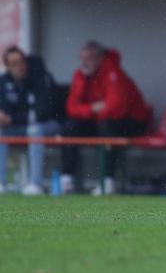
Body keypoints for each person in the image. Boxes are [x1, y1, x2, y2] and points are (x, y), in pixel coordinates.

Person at [62, 41, 151, 195]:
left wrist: (88, 111)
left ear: (100, 58)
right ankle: (66, 180)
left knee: (107, 127)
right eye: (82, 58)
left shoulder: (112, 72)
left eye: (89, 58)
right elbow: (71, 107)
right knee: (71, 126)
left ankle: (108, 181)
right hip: (100, 120)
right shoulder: (80, 75)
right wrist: (91, 109)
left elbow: (114, 108)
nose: (84, 63)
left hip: (132, 122)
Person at [0, 47, 60, 195]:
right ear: (7, 66)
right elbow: (4, 112)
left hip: (49, 125)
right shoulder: (3, 82)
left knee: (35, 129)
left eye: (21, 62)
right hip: (17, 128)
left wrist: (12, 118)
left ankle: (35, 184)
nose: (19, 66)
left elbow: (42, 113)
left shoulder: (40, 78)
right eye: (13, 64)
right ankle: (1, 182)